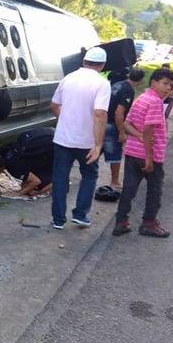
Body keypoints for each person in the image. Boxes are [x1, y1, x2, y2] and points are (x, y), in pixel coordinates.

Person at [49, 47, 111, 229]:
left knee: (60, 177)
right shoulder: (102, 84)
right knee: (89, 175)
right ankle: (80, 214)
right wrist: (98, 145)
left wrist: (66, 120)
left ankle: (58, 220)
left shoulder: (68, 78)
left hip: (62, 139)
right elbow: (100, 114)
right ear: (102, 65)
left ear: (84, 61)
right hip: (86, 141)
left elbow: (53, 105)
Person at [112, 68, 173, 238]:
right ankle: (149, 223)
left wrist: (138, 136)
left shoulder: (141, 98)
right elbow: (148, 129)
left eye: (170, 85)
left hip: (132, 152)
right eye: (164, 83)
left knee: (129, 189)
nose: (168, 88)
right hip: (150, 155)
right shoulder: (155, 102)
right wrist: (149, 157)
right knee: (155, 190)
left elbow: (127, 124)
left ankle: (121, 222)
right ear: (153, 82)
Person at [103, 68, 145, 189]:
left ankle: (87, 174)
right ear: (141, 80)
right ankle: (115, 181)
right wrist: (121, 132)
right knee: (115, 154)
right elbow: (119, 113)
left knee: (96, 149)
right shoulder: (128, 90)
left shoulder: (117, 84)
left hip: (102, 121)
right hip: (112, 125)